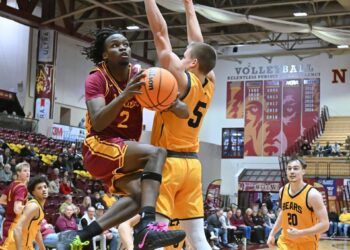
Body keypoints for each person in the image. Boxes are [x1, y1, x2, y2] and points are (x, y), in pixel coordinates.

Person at [57, 28, 185, 250]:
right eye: (115, 45)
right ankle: (147, 226)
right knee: (157, 152)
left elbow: (184, 112)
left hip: (122, 152)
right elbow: (97, 122)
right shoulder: (97, 78)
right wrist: (126, 94)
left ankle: (81, 236)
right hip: (99, 147)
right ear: (105, 54)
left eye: (125, 44)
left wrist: (172, 100)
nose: (123, 47)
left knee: (139, 196)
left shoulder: (143, 76)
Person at [144, 0, 217, 249]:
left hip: (170, 163)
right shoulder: (210, 82)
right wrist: (188, 6)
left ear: (193, 64)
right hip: (193, 166)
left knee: (157, 233)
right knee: (198, 238)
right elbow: (198, 43)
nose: (183, 57)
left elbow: (160, 33)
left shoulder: (184, 82)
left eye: (185, 56)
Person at [267, 157, 329, 249]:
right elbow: (283, 214)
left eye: (296, 168)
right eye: (289, 168)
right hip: (285, 242)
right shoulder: (283, 191)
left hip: (306, 244)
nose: (292, 171)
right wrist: (272, 234)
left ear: (303, 171)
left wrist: (300, 233)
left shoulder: (313, 195)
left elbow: (325, 225)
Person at [0, 162, 30, 249]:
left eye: (28, 171)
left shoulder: (12, 185)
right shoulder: (21, 187)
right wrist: (30, 208)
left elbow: (2, 200)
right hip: (14, 224)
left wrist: (12, 203)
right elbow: (17, 209)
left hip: (8, 222)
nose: (28, 173)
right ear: (18, 173)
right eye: (25, 171)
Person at [13, 175, 49, 250]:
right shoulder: (33, 206)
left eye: (45, 187)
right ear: (33, 193)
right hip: (17, 246)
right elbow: (17, 228)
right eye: (39, 188)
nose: (44, 190)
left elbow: (37, 231)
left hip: (28, 246)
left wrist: (43, 248)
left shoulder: (39, 207)